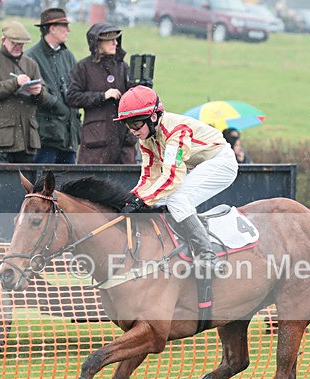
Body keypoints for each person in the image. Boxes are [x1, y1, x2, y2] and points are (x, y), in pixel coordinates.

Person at [115, 86, 238, 272]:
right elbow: (149, 176)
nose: (133, 131)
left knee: (176, 198)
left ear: (153, 117)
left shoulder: (176, 131)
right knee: (161, 200)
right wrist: (132, 198)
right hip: (199, 165)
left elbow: (172, 176)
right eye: (128, 125)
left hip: (221, 161)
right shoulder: (146, 139)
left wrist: (143, 200)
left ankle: (207, 256)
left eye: (136, 124)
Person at [66, 22, 137, 164]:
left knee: (127, 184)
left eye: (116, 39)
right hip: (96, 143)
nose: (115, 43)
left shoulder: (123, 67)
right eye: (110, 40)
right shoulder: (83, 67)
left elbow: (135, 98)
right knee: (93, 183)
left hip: (124, 141)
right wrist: (102, 96)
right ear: (97, 43)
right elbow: (71, 97)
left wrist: (142, 86)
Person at [0, 21, 47, 164]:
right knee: (1, 185)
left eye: (21, 44)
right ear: (3, 40)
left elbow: (45, 97)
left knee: (28, 186)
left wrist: (38, 92)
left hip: (28, 141)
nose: (18, 47)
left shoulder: (31, 64)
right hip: (1, 141)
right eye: (14, 43)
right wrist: (15, 83)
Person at [25, 8, 82, 164]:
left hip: (69, 136)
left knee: (68, 186)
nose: (68, 30)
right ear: (52, 28)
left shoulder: (68, 55)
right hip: (46, 137)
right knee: (43, 185)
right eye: (64, 26)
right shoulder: (31, 57)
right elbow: (33, 93)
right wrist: (58, 105)